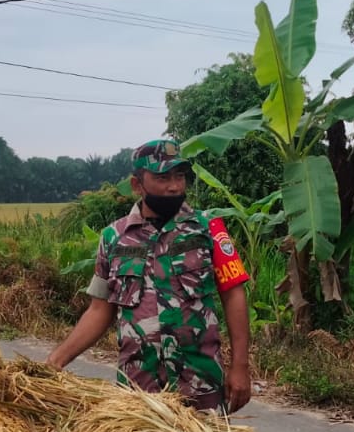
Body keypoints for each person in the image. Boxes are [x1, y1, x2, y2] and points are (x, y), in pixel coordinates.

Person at [46, 139, 253, 413]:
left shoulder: (208, 229)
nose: (175, 186)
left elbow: (233, 294)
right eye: (162, 177)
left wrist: (240, 366)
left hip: (200, 386)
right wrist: (55, 362)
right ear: (137, 185)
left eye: (180, 176)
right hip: (138, 392)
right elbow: (99, 310)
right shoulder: (113, 238)